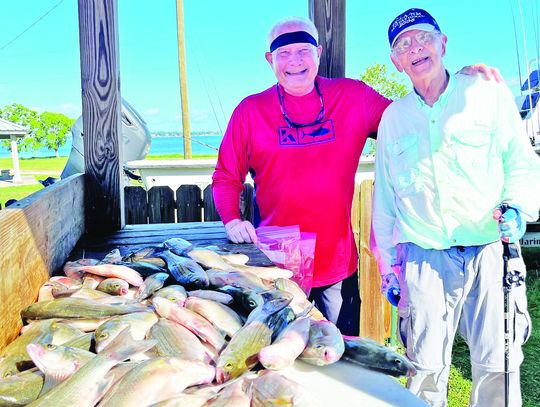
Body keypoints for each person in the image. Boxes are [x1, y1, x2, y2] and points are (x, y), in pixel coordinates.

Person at [212, 16, 497, 336]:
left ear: (318, 52)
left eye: (303, 51)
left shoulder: (353, 97)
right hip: (273, 268)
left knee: (338, 356)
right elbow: (225, 176)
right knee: (280, 358)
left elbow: (411, 123)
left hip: (337, 265)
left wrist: (453, 82)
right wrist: (232, 220)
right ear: (270, 60)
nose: (295, 61)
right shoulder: (250, 111)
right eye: (284, 53)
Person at [370, 8, 540, 406]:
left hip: (489, 252)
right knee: (423, 369)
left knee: (499, 365)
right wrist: (386, 268)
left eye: (423, 37)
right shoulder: (393, 118)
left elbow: (520, 161)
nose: (416, 48)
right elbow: (385, 202)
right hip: (422, 259)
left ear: (443, 43)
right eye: (403, 44)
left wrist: (517, 208)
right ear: (396, 62)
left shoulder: (486, 93)